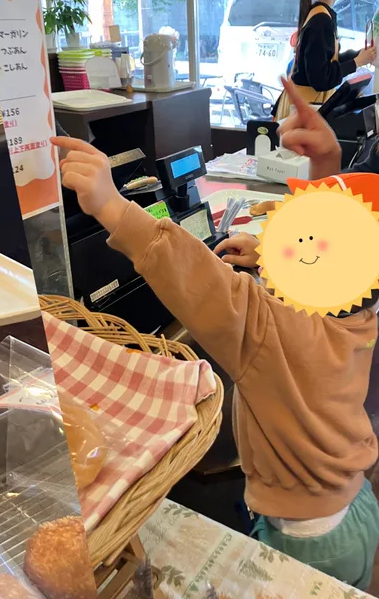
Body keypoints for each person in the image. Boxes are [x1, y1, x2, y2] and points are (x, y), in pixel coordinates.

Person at [52, 132, 379, 590]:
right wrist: (271, 255)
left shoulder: (268, 330)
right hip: (356, 510)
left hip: (303, 540)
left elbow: (200, 278)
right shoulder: (359, 316)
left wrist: (112, 206)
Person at [274, 0, 376, 121]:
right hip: (303, 109)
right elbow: (321, 79)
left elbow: (325, 61)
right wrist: (357, 62)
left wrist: (357, 55)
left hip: (306, 105)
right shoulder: (320, 21)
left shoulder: (323, 14)